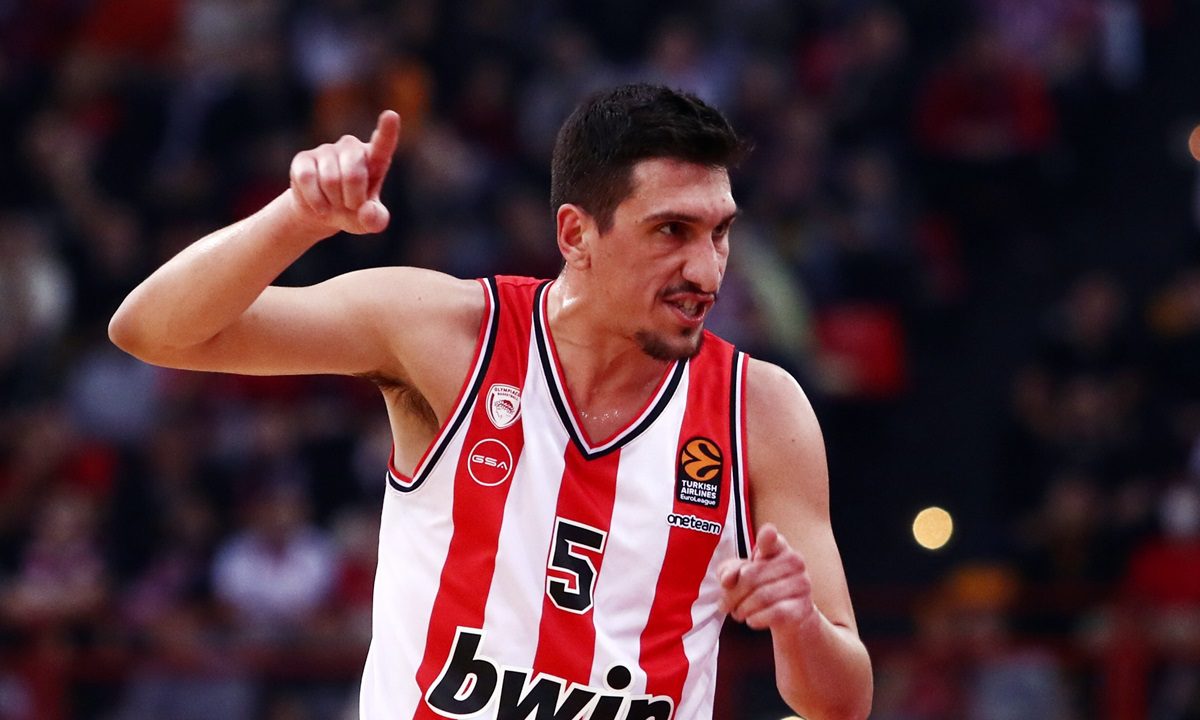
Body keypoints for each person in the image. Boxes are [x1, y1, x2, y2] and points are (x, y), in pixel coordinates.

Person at [109, 84, 872, 720]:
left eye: (719, 233)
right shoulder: (447, 334)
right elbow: (150, 330)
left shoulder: (759, 410)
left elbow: (843, 701)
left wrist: (798, 624)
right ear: (576, 234)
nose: (706, 271)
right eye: (672, 231)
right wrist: (296, 219)